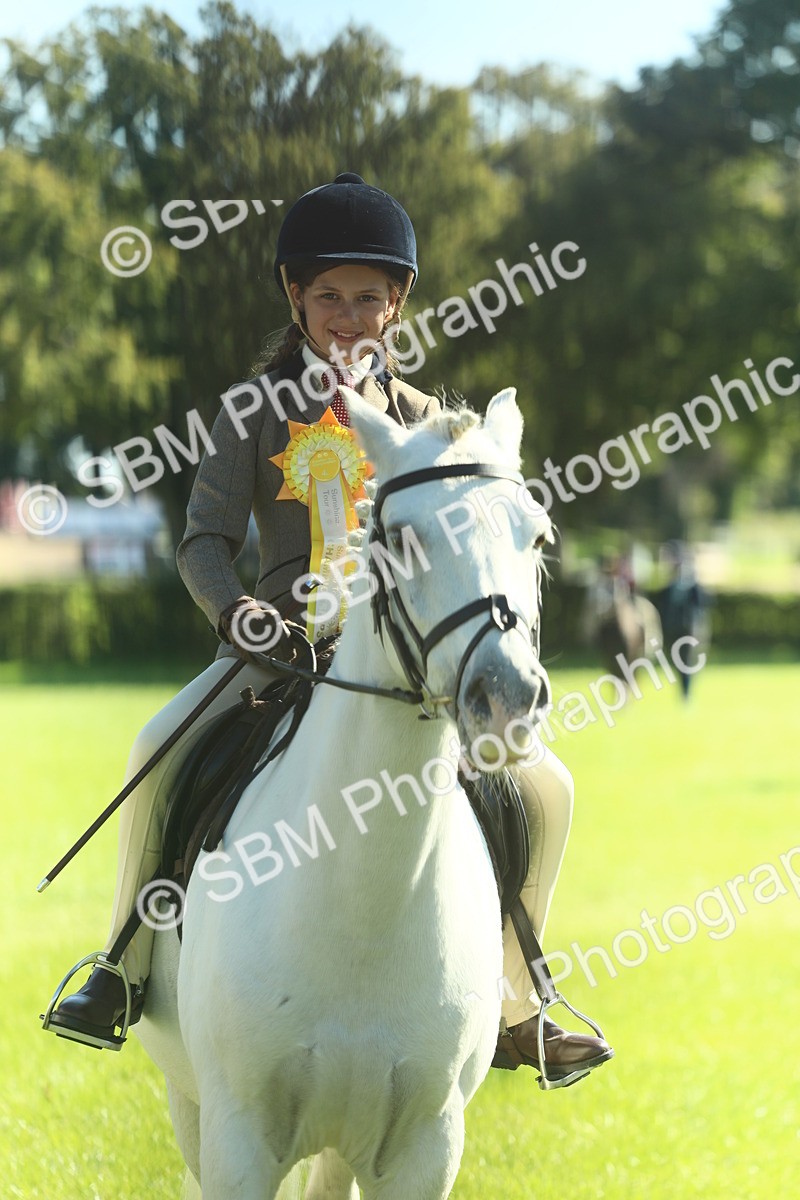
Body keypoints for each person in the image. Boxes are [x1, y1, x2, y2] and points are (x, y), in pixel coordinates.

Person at [45, 173, 612, 1084]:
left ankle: (521, 1001)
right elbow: (202, 543)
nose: (349, 317)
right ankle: (123, 967)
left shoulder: (429, 421)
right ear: (295, 299)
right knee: (154, 751)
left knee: (548, 787)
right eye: (330, 298)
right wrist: (239, 613)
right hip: (275, 657)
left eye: (368, 299)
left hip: (405, 669)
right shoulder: (252, 408)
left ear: (397, 306)